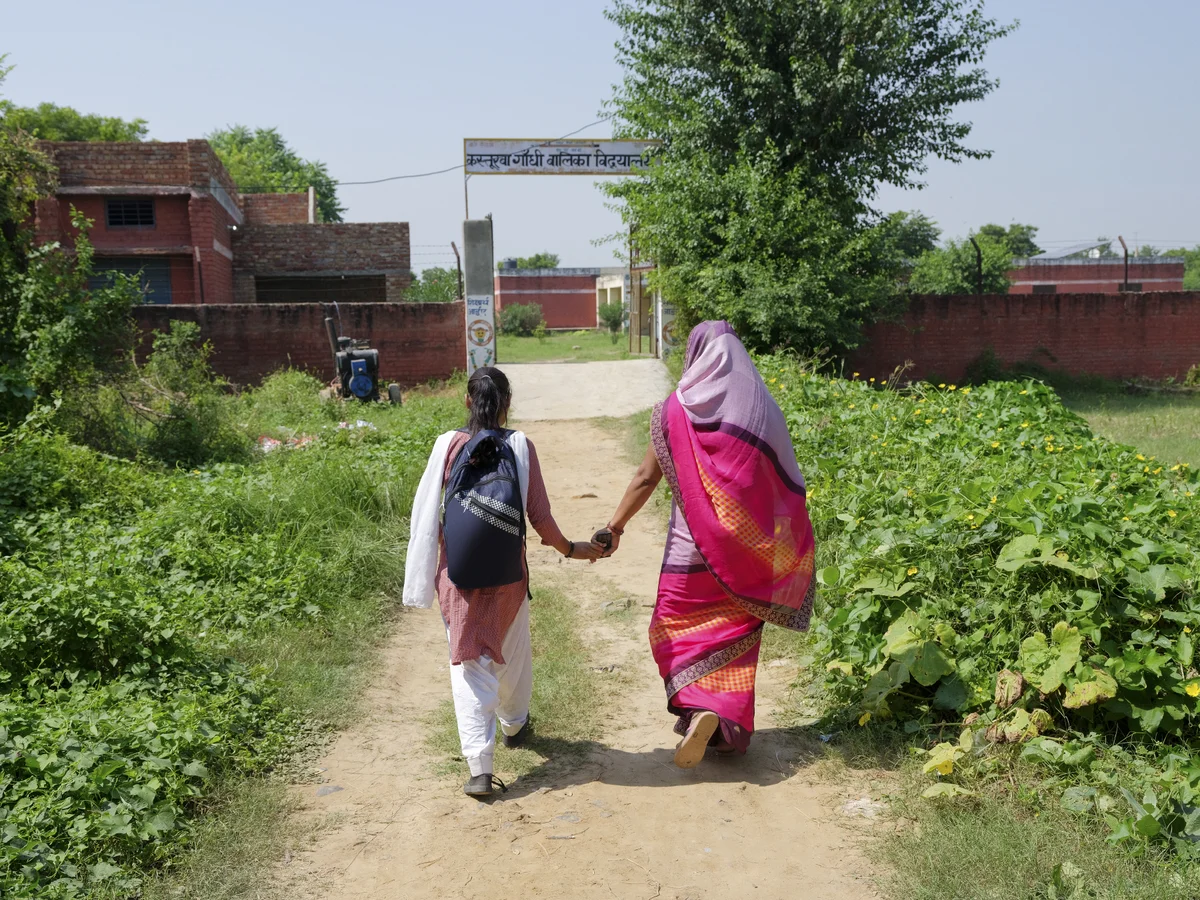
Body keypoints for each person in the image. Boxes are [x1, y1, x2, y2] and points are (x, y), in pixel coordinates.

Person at [597, 321, 816, 768]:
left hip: (691, 548)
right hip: (748, 550)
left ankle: (700, 708)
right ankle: (721, 720)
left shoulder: (677, 410)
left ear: (697, 356)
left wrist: (615, 527)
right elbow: (784, 483)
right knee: (738, 632)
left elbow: (645, 477)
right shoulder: (763, 410)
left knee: (673, 627)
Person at [404, 367, 602, 797]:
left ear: (466, 402)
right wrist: (572, 549)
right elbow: (541, 518)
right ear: (507, 404)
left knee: (469, 661)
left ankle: (480, 767)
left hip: (457, 578)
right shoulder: (520, 445)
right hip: (510, 577)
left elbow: (424, 515)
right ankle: (514, 724)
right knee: (511, 651)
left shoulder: (446, 445)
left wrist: (421, 578)